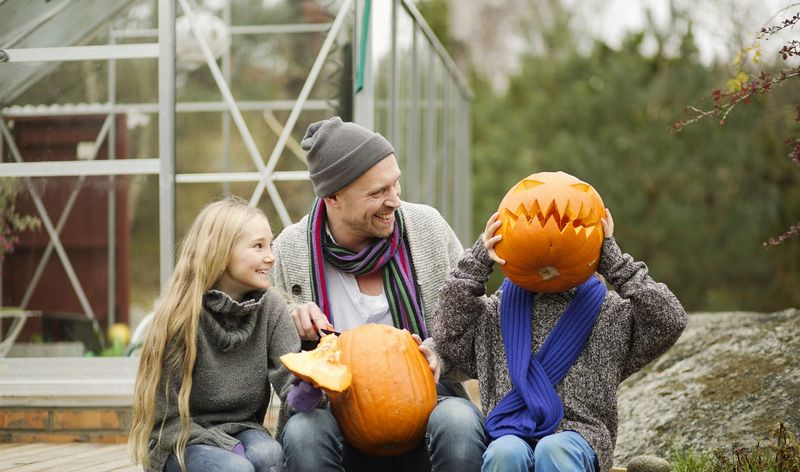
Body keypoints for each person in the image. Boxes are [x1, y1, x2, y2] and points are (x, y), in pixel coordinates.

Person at [270, 116, 487, 471]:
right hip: (337, 417)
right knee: (303, 434)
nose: (395, 201)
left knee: (460, 424)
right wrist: (302, 345)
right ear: (333, 197)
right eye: (378, 192)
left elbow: (477, 331)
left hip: (429, 406)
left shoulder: (428, 231)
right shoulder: (289, 253)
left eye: (395, 184)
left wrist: (440, 357)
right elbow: (274, 372)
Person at [431, 209, 687, 472]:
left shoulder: (610, 315)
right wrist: (478, 260)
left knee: (554, 449)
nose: (548, 239)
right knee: (505, 452)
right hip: (508, 432)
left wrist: (615, 264)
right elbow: (447, 333)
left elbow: (670, 321)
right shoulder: (495, 313)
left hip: (578, 437)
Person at [128, 196, 300, 472]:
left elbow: (290, 380)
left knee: (269, 457)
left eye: (270, 245)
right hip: (181, 439)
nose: (271, 256)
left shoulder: (271, 308)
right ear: (220, 253)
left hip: (243, 430)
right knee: (235, 469)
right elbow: (165, 422)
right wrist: (226, 446)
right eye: (258, 246)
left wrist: (308, 391)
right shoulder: (180, 315)